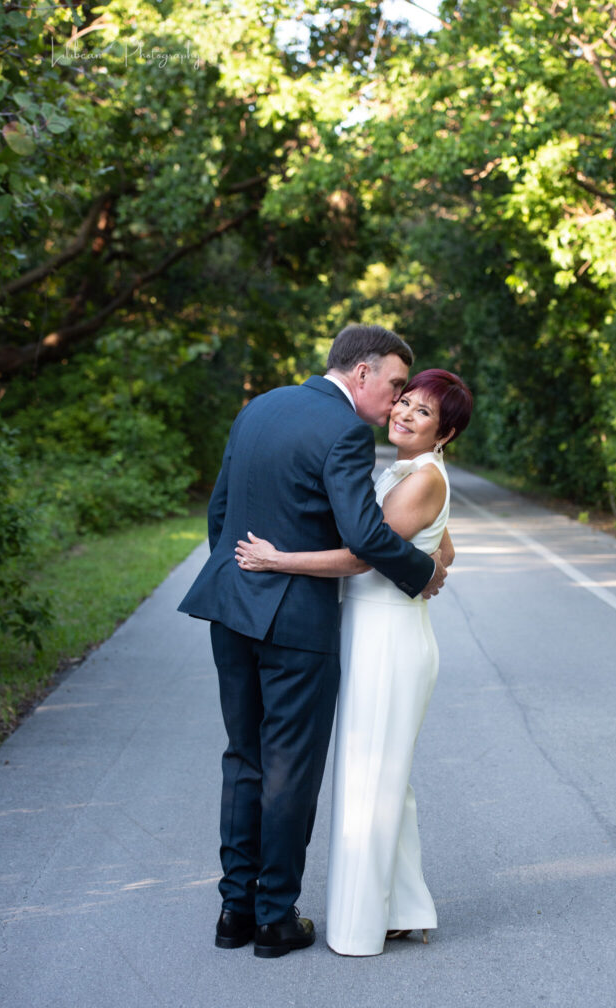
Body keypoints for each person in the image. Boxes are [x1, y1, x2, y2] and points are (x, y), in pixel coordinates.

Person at [177, 326, 448, 959]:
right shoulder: (345, 431)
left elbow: (220, 512)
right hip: (297, 622)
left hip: (230, 605)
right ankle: (274, 917)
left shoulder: (259, 407)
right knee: (289, 770)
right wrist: (421, 573)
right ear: (361, 374)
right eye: (394, 384)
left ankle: (232, 911)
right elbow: (363, 538)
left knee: (244, 759)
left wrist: (239, 574)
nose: (396, 400)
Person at [235, 368, 473, 956]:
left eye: (422, 413)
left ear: (444, 436)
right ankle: (400, 907)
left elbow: (363, 556)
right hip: (373, 634)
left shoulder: (421, 478)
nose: (403, 413)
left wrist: (278, 560)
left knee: (373, 778)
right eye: (405, 401)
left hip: (391, 642)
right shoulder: (408, 471)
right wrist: (434, 565)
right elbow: (444, 546)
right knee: (381, 776)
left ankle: (360, 928)